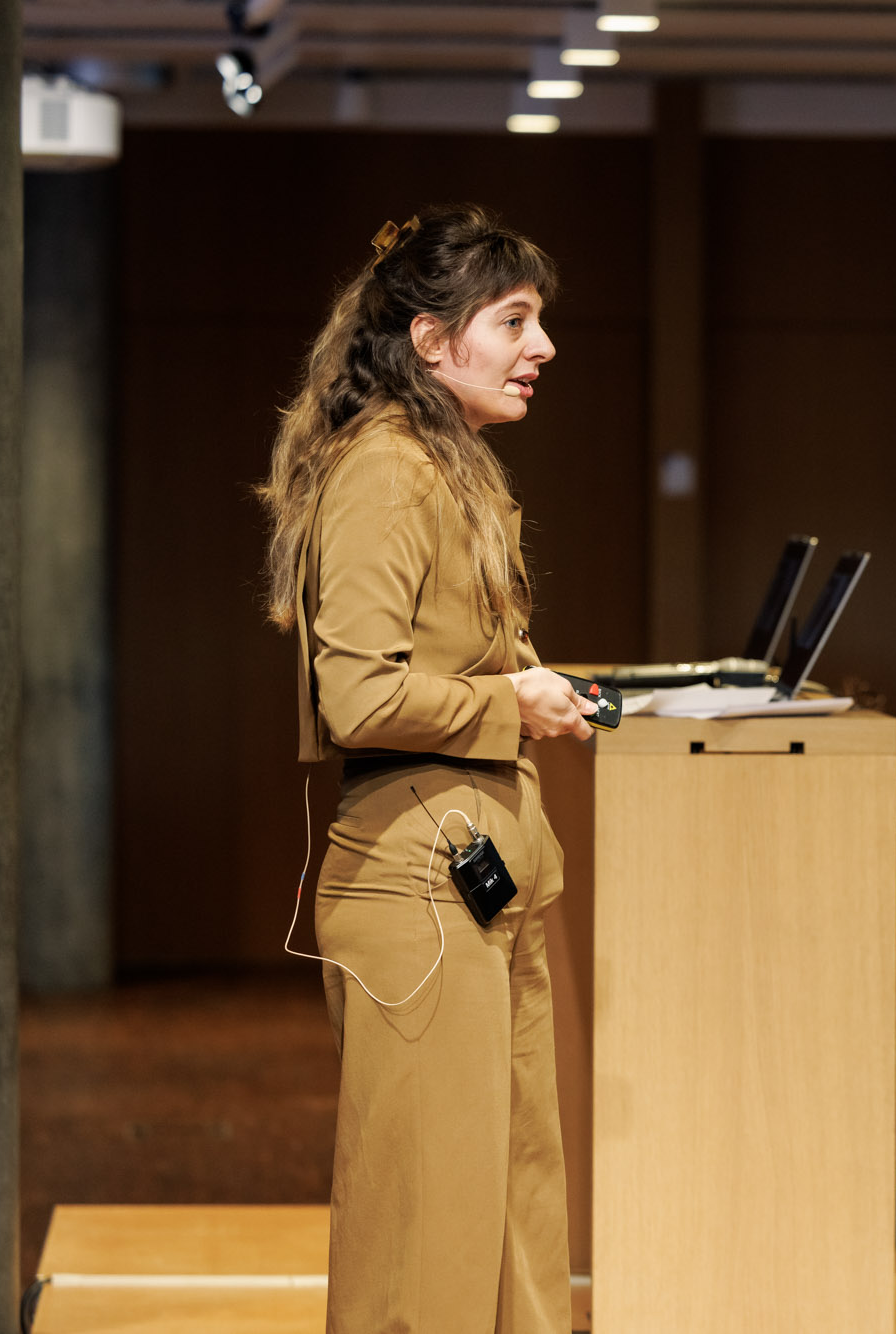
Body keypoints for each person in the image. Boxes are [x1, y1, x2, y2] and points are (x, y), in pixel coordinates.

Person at [257, 205, 593, 1334]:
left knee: (514, 1201)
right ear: (432, 340)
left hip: (481, 870)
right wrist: (512, 701)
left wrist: (527, 680)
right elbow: (358, 695)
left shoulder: (452, 468)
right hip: (418, 886)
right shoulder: (387, 471)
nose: (542, 346)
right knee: (425, 1227)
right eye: (515, 320)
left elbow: (444, 658)